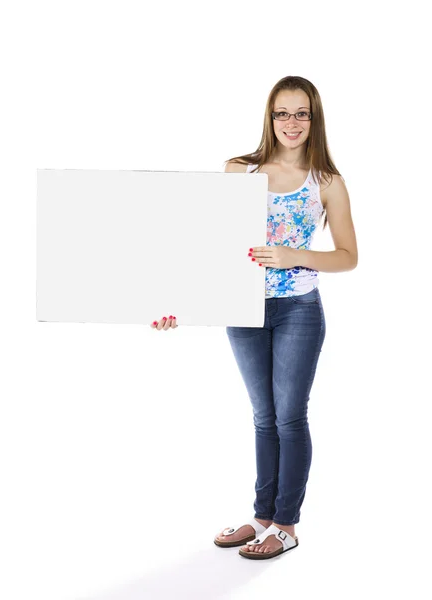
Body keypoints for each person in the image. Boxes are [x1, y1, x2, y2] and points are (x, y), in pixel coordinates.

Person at [150, 75, 358, 560]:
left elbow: (348, 256)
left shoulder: (326, 181)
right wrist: (178, 306)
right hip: (239, 307)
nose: (292, 123)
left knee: (290, 416)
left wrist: (294, 254)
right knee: (264, 418)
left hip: (298, 311)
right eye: (282, 113)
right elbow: (210, 248)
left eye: (301, 113)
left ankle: (286, 524)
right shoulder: (238, 171)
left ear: (314, 119)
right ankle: (261, 516)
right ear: (269, 116)